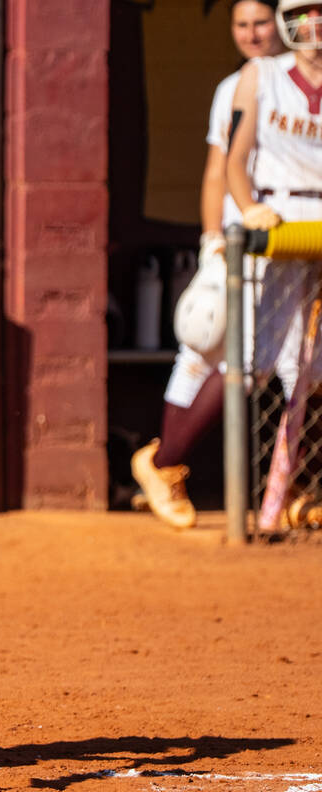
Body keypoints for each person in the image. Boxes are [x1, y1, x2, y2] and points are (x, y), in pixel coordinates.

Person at [131, 0, 287, 529]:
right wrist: (210, 236)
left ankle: (162, 464)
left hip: (285, 239)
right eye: (241, 25)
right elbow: (217, 170)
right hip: (239, 235)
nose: (251, 34)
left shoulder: (293, 82)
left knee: (255, 361)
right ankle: (166, 465)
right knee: (203, 344)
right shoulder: (234, 87)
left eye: (261, 22)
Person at [225, 0, 322, 519]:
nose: (314, 25)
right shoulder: (263, 75)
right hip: (279, 220)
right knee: (259, 359)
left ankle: (296, 492)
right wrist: (248, 207)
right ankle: (238, 489)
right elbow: (233, 162)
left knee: (313, 368)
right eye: (305, 13)